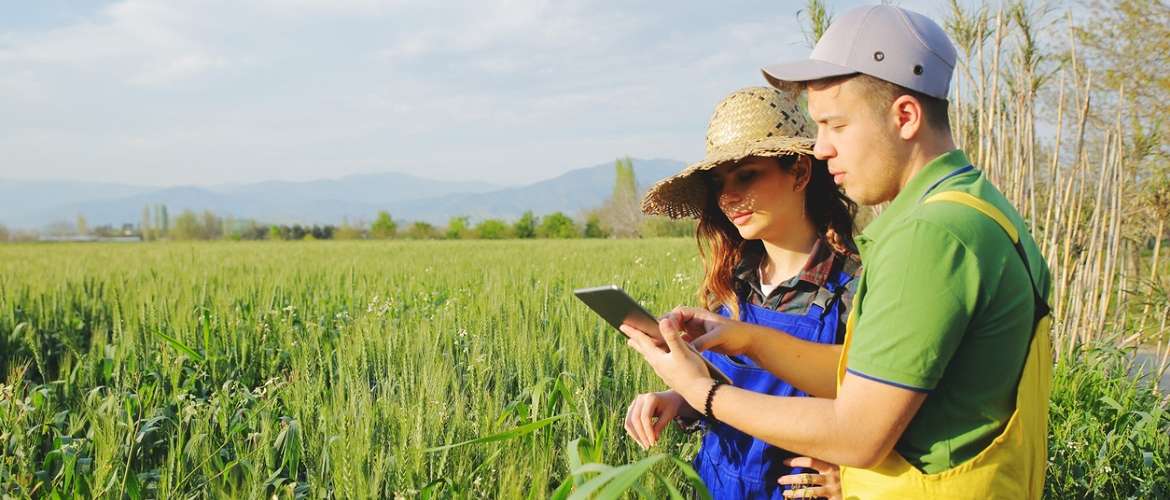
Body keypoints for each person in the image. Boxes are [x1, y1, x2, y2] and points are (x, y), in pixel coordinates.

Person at [623, 5, 1053, 499]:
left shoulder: (929, 236)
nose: (822, 149)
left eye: (836, 125)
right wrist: (743, 339)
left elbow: (857, 432)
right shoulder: (982, 209)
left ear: (905, 116)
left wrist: (701, 391)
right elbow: (870, 376)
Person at [624, 86, 859, 499]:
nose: (729, 197)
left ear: (801, 173)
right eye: (720, 182)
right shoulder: (731, 284)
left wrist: (855, 481)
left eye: (747, 175)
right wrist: (678, 398)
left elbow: (886, 411)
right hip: (714, 486)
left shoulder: (853, 289)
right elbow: (722, 390)